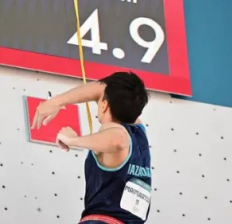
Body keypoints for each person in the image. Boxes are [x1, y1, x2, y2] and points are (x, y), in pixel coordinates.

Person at [32, 72, 152, 224]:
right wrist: (57, 101)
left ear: (104, 104)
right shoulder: (139, 131)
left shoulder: (115, 130)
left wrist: (73, 140)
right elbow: (102, 89)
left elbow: (117, 139)